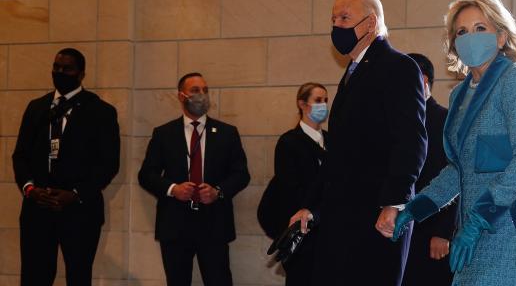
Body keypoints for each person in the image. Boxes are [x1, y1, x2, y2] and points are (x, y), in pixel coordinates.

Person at [390, 0, 516, 286]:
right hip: (472, 227)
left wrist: (479, 220)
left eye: (480, 28)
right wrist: (415, 208)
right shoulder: (459, 95)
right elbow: (459, 169)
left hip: (511, 224)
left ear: (501, 37)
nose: (469, 37)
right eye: (462, 32)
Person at [290, 0, 428, 286]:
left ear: (370, 23)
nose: (336, 26)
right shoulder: (353, 72)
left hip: (378, 214)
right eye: (333, 19)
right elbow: (340, 153)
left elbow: (412, 140)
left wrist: (395, 203)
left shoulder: (399, 67)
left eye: (344, 18)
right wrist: (311, 205)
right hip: (344, 216)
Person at [12, 48, 120, 286]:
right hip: (37, 208)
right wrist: (30, 189)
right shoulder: (36, 108)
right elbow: (20, 156)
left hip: (80, 210)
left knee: (78, 276)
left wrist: (76, 194)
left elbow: (108, 164)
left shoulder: (101, 111)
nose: (60, 72)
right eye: (56, 67)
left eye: (67, 69)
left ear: (81, 74)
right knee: (34, 276)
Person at [138, 72, 250, 286]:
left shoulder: (227, 133)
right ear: (181, 96)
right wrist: (173, 189)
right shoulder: (163, 133)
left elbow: (241, 174)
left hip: (214, 225)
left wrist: (218, 191)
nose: (202, 95)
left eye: (205, 90)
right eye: (195, 90)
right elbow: (146, 174)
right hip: (175, 225)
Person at [257, 82, 329, 286]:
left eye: (325, 100)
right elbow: (289, 188)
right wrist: (311, 210)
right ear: (302, 104)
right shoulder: (289, 142)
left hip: (326, 233)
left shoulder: (332, 141)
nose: (323, 104)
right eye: (317, 100)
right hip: (303, 233)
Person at [402, 53, 456, 286]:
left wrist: (443, 231)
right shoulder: (401, 121)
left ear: (422, 80)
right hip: (405, 229)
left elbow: (454, 176)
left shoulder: (445, 120)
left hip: (433, 234)